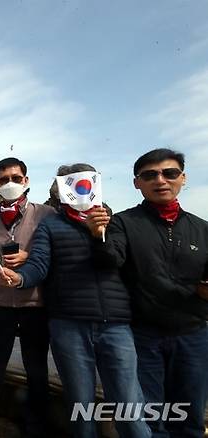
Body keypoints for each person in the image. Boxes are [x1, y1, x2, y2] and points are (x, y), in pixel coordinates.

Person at [0, 164, 151, 438]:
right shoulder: (50, 225)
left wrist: (98, 234)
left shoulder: (113, 222)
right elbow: (39, 265)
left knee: (130, 407)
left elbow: (116, 259)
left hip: (115, 326)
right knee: (81, 407)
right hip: (68, 325)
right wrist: (19, 279)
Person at [87, 148, 208, 438]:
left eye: (170, 173)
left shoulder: (203, 229)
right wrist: (97, 236)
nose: (161, 180)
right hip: (143, 336)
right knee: (150, 417)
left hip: (194, 334)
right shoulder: (123, 223)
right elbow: (109, 260)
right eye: (150, 175)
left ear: (183, 178)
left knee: (190, 418)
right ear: (137, 183)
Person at [0, 158, 55, 438]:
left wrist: (29, 256)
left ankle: (35, 427)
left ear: (27, 180)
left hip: (35, 304)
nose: (11, 183)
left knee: (37, 372)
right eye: (4, 179)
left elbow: (56, 254)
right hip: (1, 305)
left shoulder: (46, 214)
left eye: (17, 177)